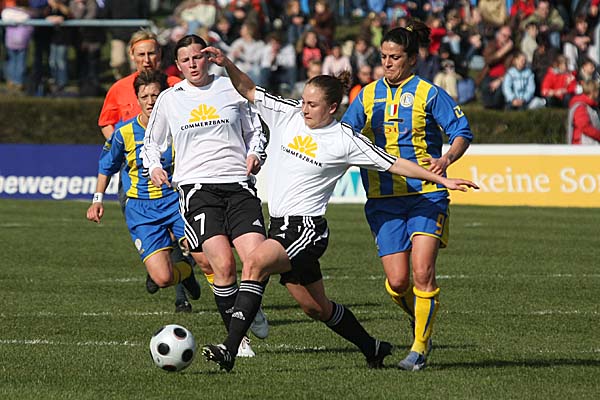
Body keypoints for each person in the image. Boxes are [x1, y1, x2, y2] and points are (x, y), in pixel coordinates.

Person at [198, 45, 478, 373]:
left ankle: (230, 348)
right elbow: (248, 89)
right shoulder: (288, 113)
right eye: (304, 101)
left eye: (312, 104)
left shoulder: (345, 139)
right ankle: (373, 347)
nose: (304, 109)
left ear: (332, 107)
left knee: (255, 262)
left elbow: (394, 163)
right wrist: (226, 63)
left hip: (306, 230)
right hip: (280, 227)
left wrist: (441, 179)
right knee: (316, 308)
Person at [341, 21, 474, 371]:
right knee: (397, 282)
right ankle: (420, 317)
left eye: (395, 57)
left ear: (412, 59)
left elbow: (461, 131)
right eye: (383, 56)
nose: (387, 62)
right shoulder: (366, 95)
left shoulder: (429, 93)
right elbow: (344, 136)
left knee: (422, 272)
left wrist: (446, 159)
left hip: (426, 194)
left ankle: (418, 349)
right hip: (382, 198)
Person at [141, 34, 270, 357]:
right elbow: (151, 143)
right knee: (223, 266)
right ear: (178, 65)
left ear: (208, 57)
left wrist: (255, 154)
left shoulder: (231, 88)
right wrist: (154, 167)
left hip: (238, 185)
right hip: (197, 190)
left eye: (197, 57)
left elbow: (256, 131)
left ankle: (250, 305)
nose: (192, 64)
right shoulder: (170, 99)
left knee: (257, 260)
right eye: (185, 60)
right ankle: (238, 340)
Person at [86, 70, 202, 310]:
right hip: (141, 210)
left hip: (177, 202)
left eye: (155, 95)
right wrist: (97, 200)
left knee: (206, 255)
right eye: (144, 96)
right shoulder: (124, 133)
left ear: (164, 96)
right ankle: (186, 273)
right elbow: (106, 166)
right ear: (137, 99)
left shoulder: (179, 127)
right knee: (163, 278)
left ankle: (235, 311)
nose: (150, 101)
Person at [567, 79, 600, 144]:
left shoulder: (590, 106)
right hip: (582, 145)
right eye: (597, 90)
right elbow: (584, 127)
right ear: (593, 92)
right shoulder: (580, 107)